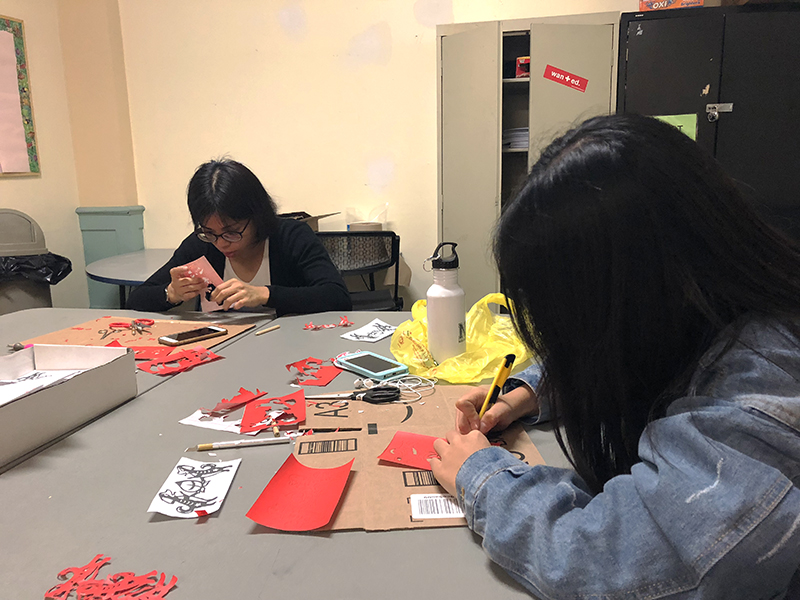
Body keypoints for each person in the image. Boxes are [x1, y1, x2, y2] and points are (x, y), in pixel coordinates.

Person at [429, 114, 800, 598]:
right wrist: (528, 392)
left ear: (632, 294)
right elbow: (636, 350)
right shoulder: (721, 306)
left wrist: (481, 477)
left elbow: (609, 564)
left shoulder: (759, 398)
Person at [127, 159, 351, 316]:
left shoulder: (291, 237)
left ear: (257, 216)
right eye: (210, 232)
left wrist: (264, 294)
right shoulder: (201, 245)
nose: (222, 243)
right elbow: (136, 301)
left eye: (232, 231)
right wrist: (171, 293)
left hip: (291, 346)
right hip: (223, 352)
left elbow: (337, 297)